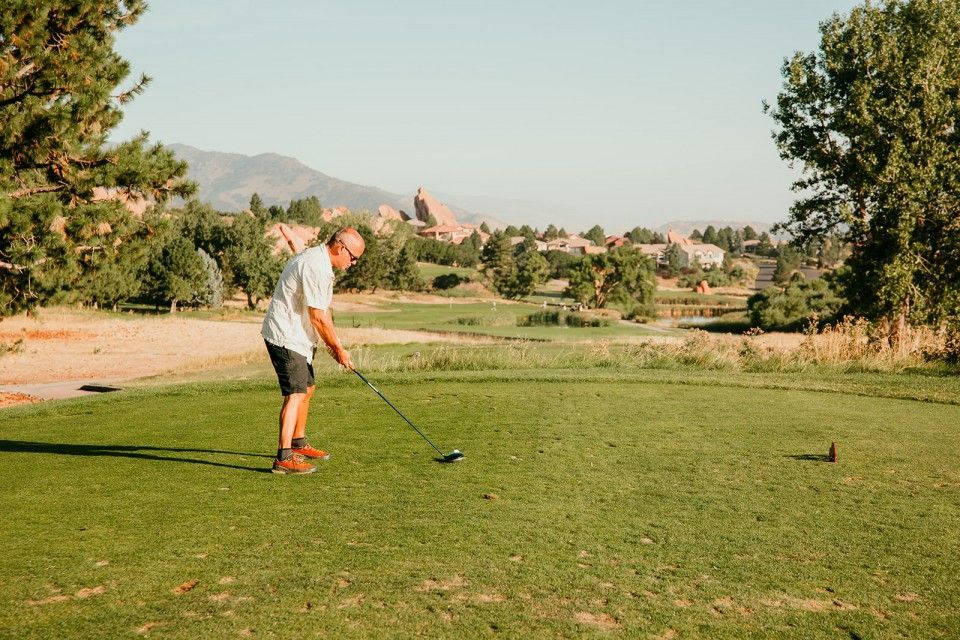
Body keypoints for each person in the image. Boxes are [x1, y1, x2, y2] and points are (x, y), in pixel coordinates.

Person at [261, 227, 365, 475]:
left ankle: (298, 442)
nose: (354, 263)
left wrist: (333, 343)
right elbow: (317, 316)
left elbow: (323, 313)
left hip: (299, 336)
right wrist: (338, 349)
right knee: (295, 394)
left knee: (307, 388)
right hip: (286, 336)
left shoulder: (320, 262)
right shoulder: (315, 266)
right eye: (353, 258)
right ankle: (284, 457)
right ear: (340, 248)